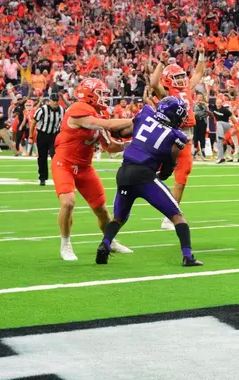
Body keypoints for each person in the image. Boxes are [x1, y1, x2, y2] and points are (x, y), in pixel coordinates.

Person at [95, 97, 202, 267]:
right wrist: (160, 175)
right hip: (144, 175)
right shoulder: (177, 137)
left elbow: (125, 132)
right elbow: (168, 168)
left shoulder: (145, 114)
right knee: (177, 216)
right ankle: (188, 256)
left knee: (119, 218)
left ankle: (105, 244)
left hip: (124, 172)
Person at [52, 78, 133, 261]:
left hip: (85, 167)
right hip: (64, 164)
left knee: (101, 209)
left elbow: (109, 146)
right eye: (100, 94)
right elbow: (108, 125)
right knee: (68, 202)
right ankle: (65, 244)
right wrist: (135, 119)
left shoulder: (99, 114)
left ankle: (110, 241)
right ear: (88, 95)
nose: (104, 98)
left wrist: (128, 145)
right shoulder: (78, 109)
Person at [150, 49, 206, 231]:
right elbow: (153, 83)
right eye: (177, 77)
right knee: (152, 171)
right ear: (168, 80)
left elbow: (199, 72)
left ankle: (170, 216)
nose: (181, 79)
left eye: (182, 76)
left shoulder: (187, 88)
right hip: (170, 136)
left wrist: (201, 55)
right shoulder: (166, 94)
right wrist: (161, 62)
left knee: (182, 176)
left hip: (186, 138)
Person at [31, 94, 65, 186]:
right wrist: (30, 136)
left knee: (56, 157)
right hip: (42, 135)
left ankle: (58, 177)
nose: (55, 102)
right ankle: (42, 178)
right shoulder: (42, 110)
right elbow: (33, 122)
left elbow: (64, 123)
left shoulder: (62, 110)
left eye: (57, 100)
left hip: (54, 136)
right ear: (49, 101)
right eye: (54, 100)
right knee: (42, 157)